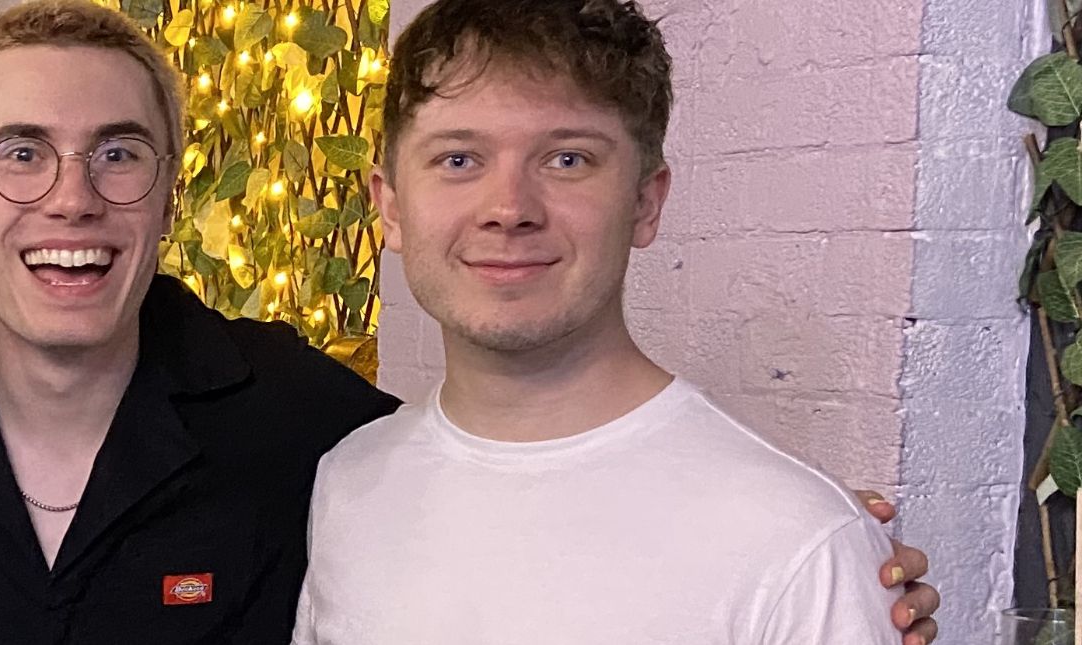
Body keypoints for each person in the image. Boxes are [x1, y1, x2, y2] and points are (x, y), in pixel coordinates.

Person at [0, 1, 939, 643]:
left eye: (118, 153)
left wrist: (816, 549)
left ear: (168, 189)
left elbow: (559, 477)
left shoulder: (304, 431)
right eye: (19, 154)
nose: (71, 197)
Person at [296, 0, 914, 642]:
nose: (508, 208)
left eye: (567, 159)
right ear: (391, 208)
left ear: (645, 203)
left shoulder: (803, 546)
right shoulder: (349, 481)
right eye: (458, 160)